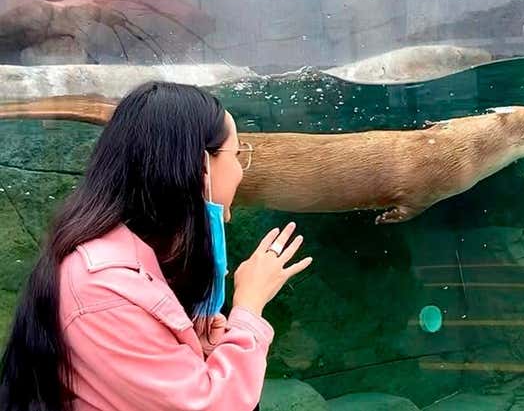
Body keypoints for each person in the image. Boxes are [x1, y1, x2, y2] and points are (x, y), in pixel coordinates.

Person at [0, 81, 312, 410]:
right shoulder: (104, 289)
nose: (240, 172)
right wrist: (249, 306)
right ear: (202, 167)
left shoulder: (125, 263)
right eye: (237, 155)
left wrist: (194, 343)